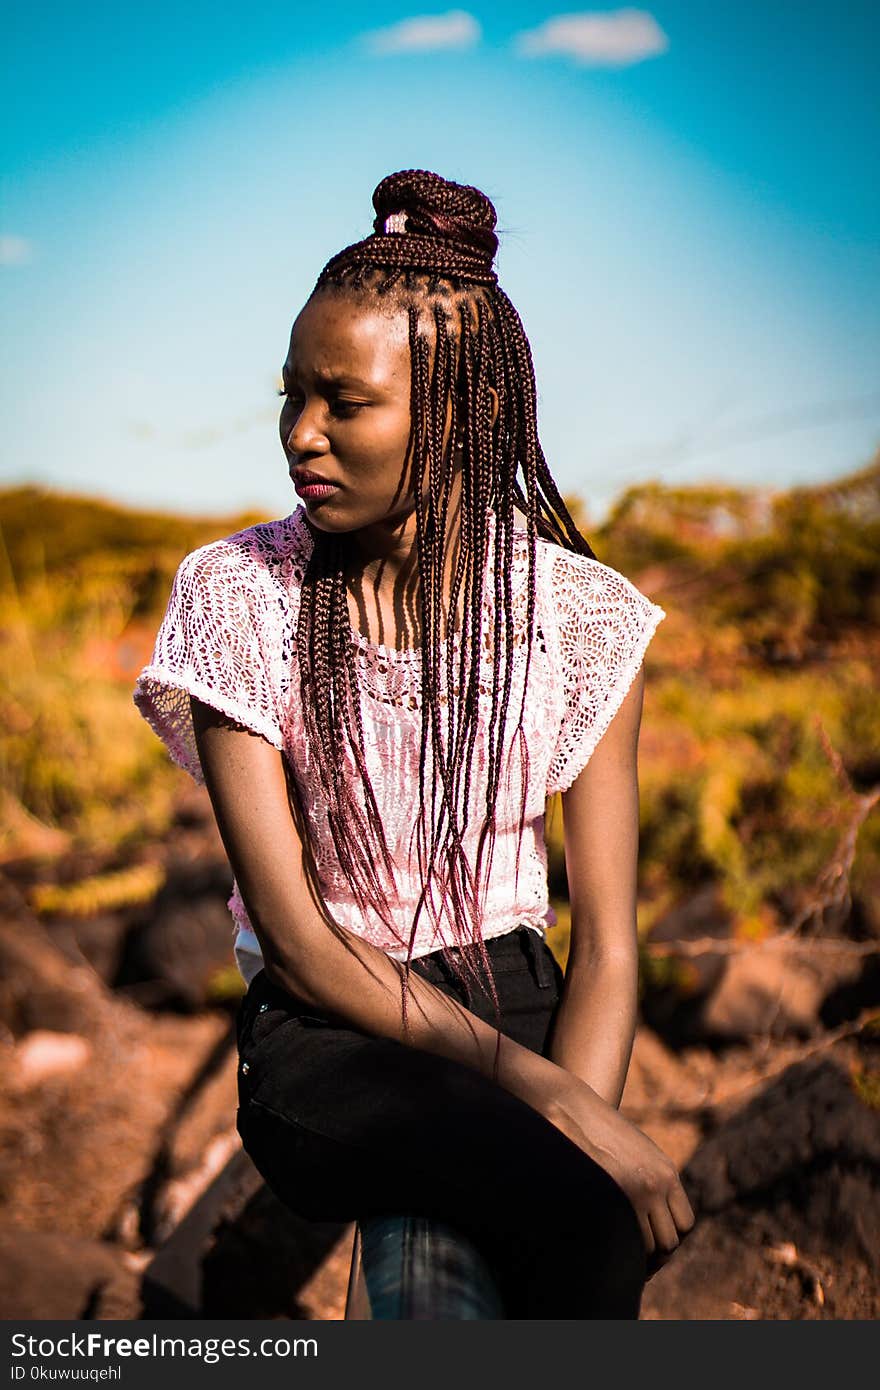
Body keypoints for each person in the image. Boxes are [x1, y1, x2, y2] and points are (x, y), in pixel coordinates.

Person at [133, 168, 694, 1319]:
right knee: (534, 1195)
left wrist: (569, 1119)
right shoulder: (239, 597)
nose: (302, 433)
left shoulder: (575, 621)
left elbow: (607, 948)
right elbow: (293, 938)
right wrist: (556, 1110)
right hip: (327, 1028)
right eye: (292, 396)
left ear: (464, 412)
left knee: (578, 1232)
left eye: (345, 401)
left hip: (515, 995)